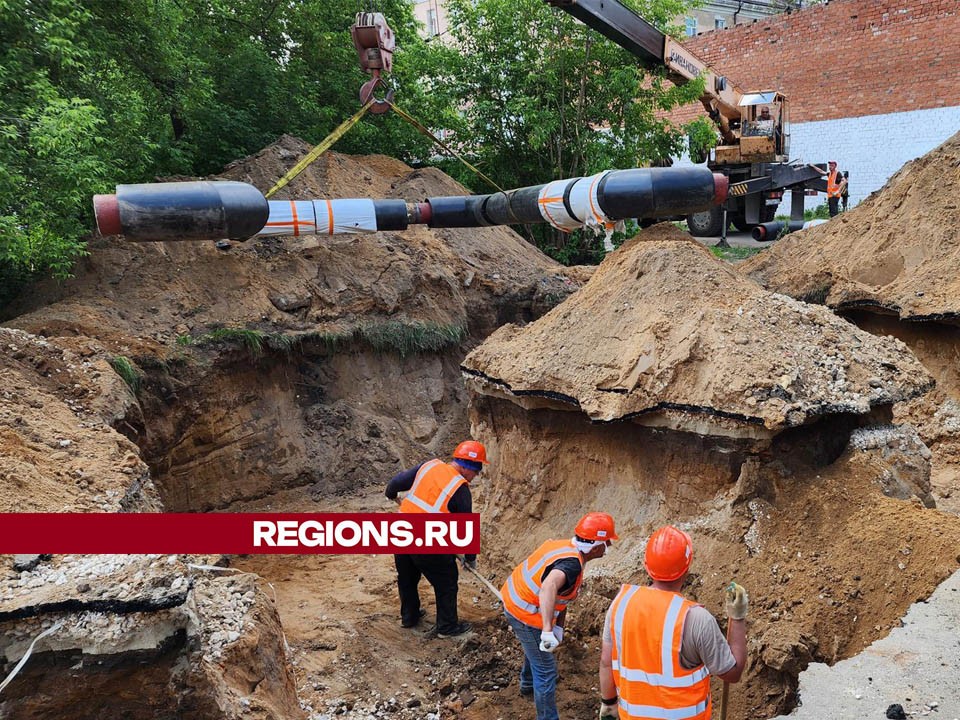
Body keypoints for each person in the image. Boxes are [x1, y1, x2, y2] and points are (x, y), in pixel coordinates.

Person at [598, 525, 748, 720]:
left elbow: (606, 661)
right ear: (687, 568)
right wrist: (737, 617)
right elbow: (732, 673)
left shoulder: (620, 604)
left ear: (646, 564)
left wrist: (608, 703)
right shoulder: (696, 619)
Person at [501, 512, 619, 720]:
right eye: (607, 541)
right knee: (546, 670)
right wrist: (547, 629)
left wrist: (558, 627)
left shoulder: (566, 549)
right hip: (524, 612)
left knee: (536, 650)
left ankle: (528, 684)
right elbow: (548, 587)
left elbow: (562, 596)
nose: (609, 546)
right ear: (597, 544)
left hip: (516, 599)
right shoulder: (571, 565)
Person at [385, 440, 487, 637]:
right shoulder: (460, 488)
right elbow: (465, 530)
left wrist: (392, 496)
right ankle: (447, 627)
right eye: (477, 471)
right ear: (468, 468)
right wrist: (470, 558)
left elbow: (394, 484)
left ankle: (409, 617)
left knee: (407, 577)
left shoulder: (429, 466)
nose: (476, 476)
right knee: (446, 581)